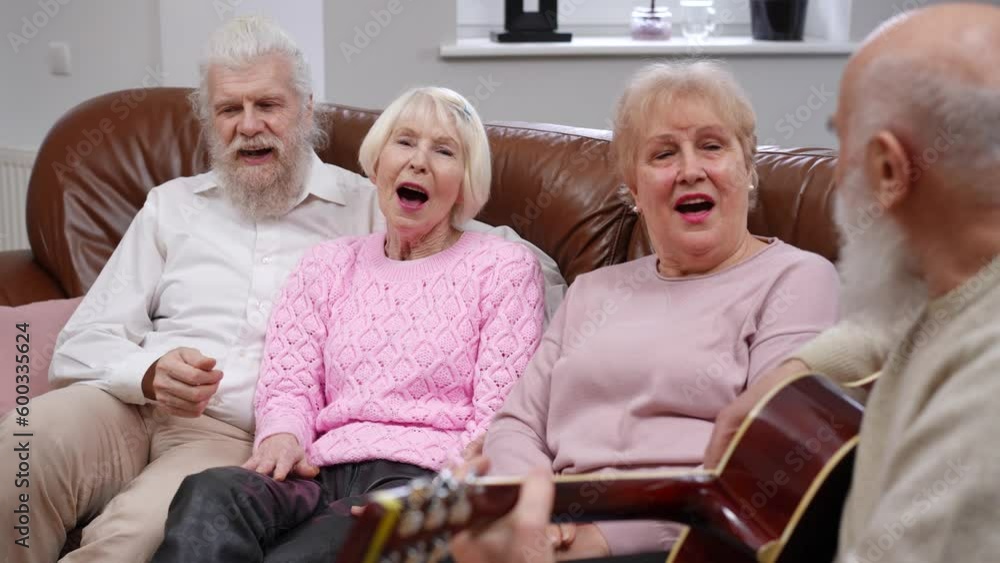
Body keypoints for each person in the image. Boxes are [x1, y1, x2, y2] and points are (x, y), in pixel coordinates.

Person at [0, 17, 565, 563]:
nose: (249, 124)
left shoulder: (369, 204)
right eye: (229, 109)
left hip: (226, 431)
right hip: (121, 402)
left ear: (307, 110)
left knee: (139, 532)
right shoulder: (169, 206)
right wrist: (147, 371)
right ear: (210, 123)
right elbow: (79, 345)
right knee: (21, 452)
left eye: (267, 104)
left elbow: (474, 251)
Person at [150, 85, 545, 562]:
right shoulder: (326, 265)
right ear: (377, 164)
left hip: (422, 477)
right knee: (209, 493)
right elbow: (289, 383)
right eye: (404, 142)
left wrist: (437, 499)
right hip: (319, 471)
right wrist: (282, 434)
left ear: (465, 182)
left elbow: (500, 418)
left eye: (444, 151)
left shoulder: (504, 269)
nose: (418, 162)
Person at [479, 60, 840, 560]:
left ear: (748, 169)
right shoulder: (592, 290)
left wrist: (601, 540)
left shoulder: (797, 278)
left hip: (684, 541)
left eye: (712, 146)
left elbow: (763, 466)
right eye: (664, 153)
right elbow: (515, 425)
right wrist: (529, 504)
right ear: (633, 187)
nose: (691, 170)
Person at [704, 4, 1000, 562]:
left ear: (889, 171)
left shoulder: (985, 401)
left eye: (842, 144)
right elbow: (892, 326)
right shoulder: (956, 284)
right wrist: (789, 375)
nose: (836, 176)